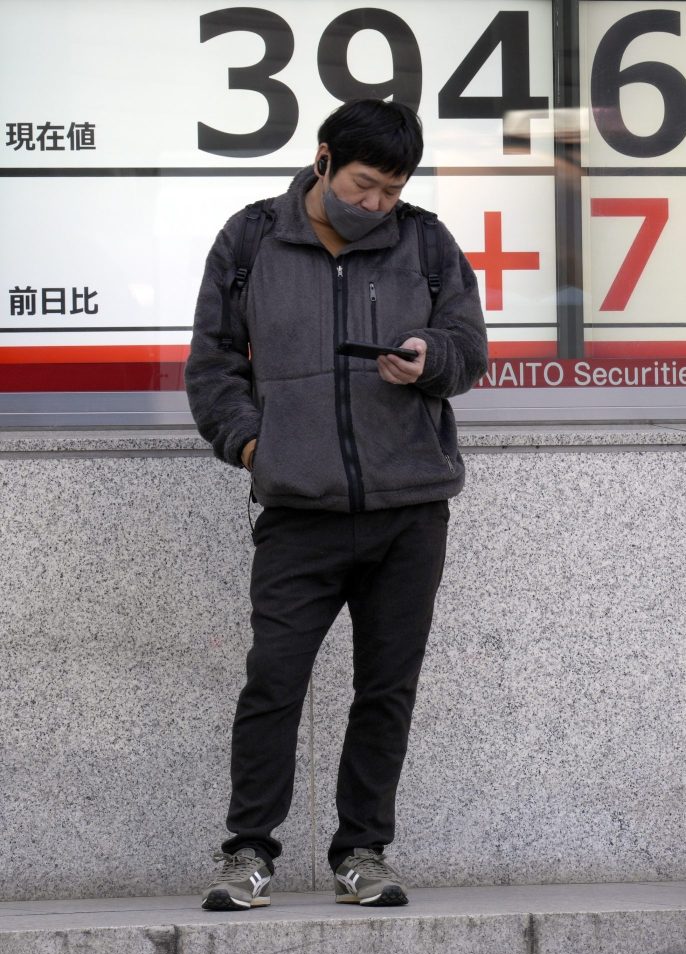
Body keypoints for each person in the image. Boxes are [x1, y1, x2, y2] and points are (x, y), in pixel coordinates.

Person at [185, 99, 487, 910]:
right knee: (273, 681)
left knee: (386, 687)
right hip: (298, 511)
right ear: (323, 161)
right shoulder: (251, 241)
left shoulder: (425, 243)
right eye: (365, 186)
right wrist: (257, 447)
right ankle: (248, 850)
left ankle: (363, 851)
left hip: (410, 509)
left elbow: (470, 350)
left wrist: (431, 359)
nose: (378, 205)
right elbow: (212, 365)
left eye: (393, 190)